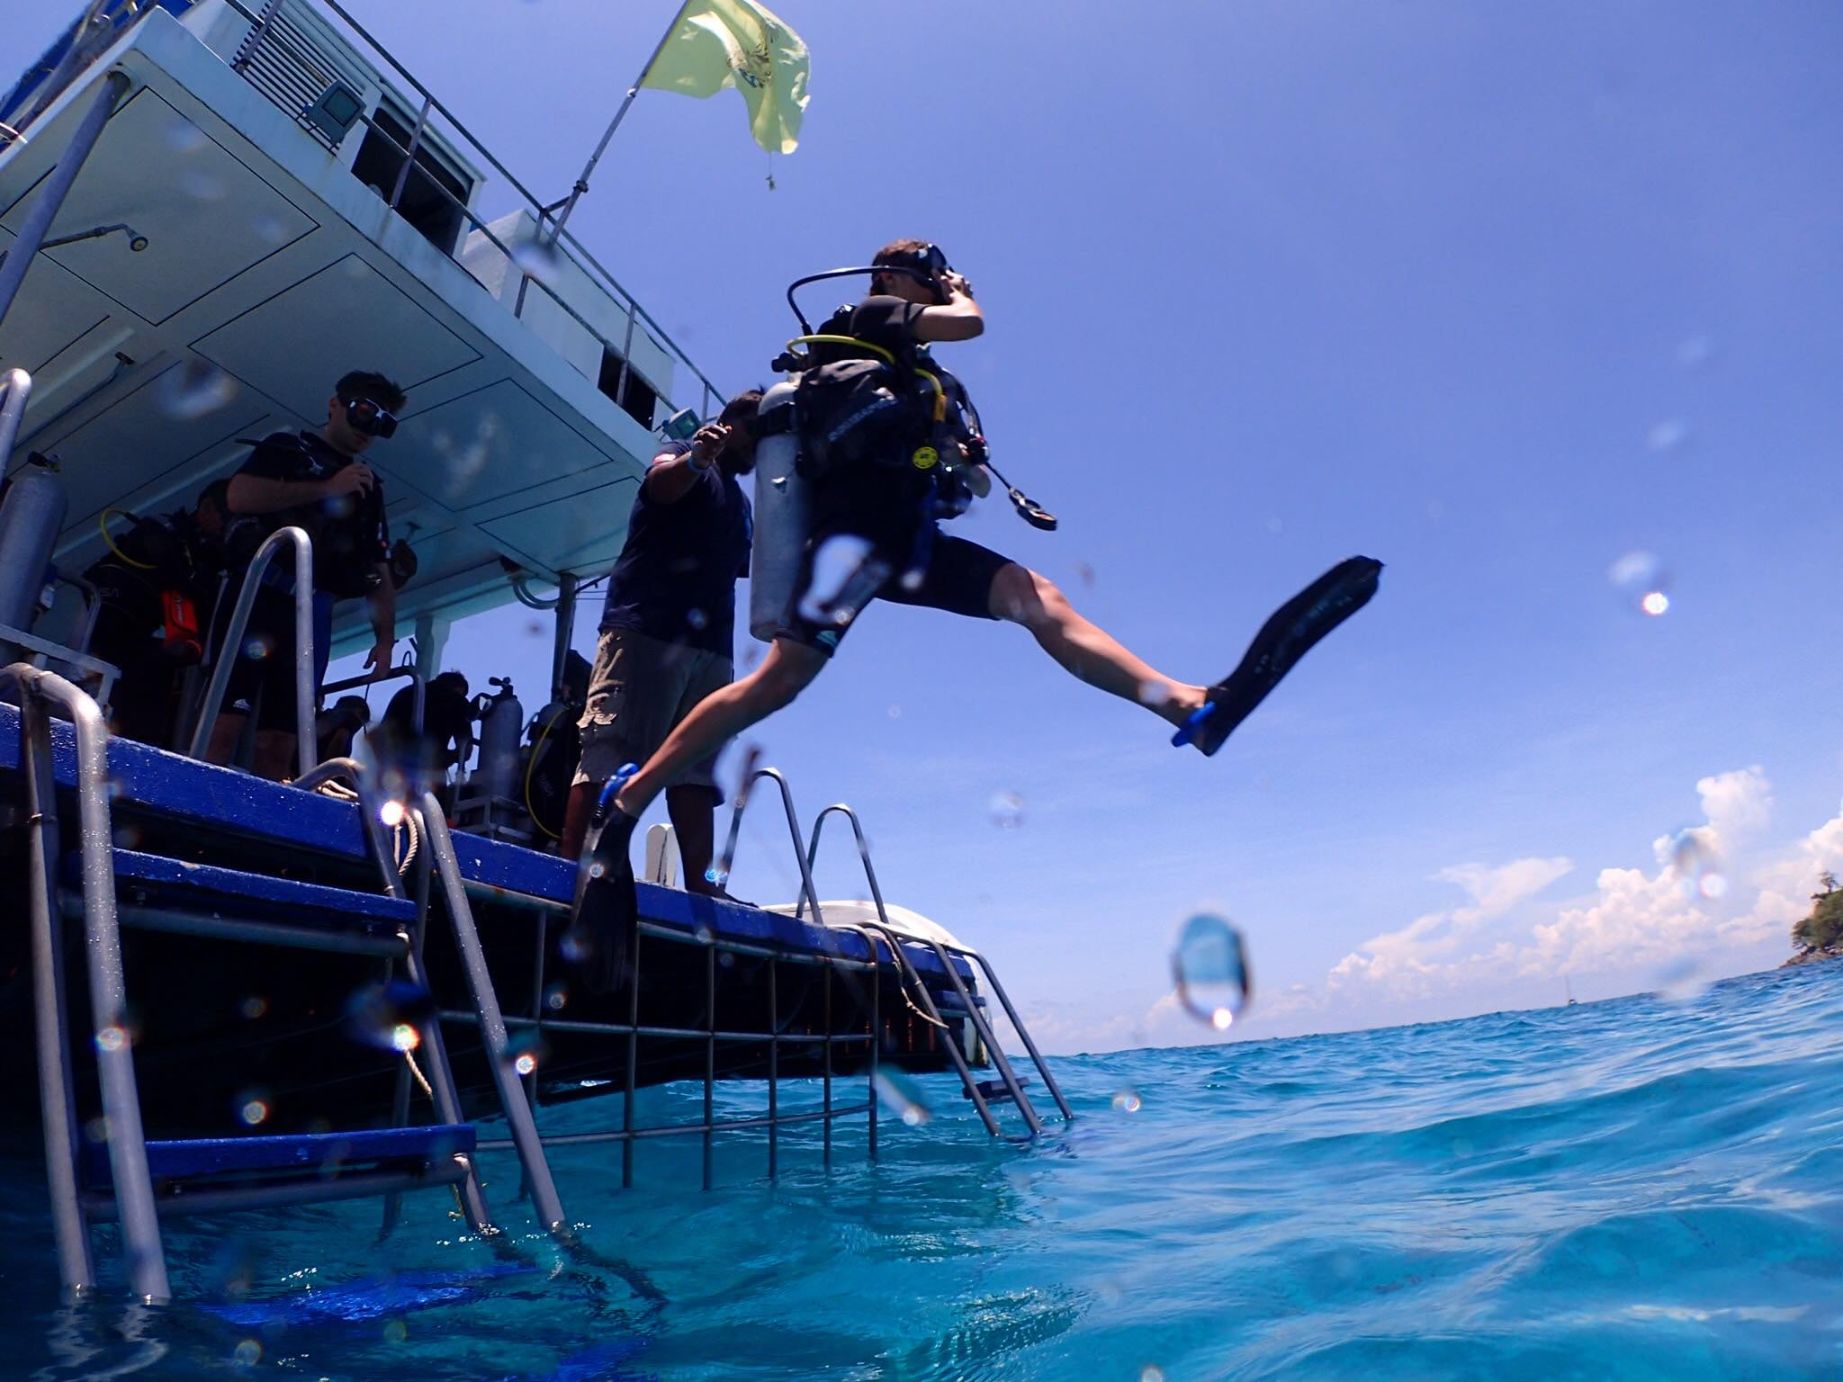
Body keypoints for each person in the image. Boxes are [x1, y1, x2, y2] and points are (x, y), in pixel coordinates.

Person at [570, 241, 1379, 986]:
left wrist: (956, 449)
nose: (941, 278)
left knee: (1038, 600)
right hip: (852, 540)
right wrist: (960, 295)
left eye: (940, 271)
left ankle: (1190, 707)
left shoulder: (911, 366)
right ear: (893, 277)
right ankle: (627, 804)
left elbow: (952, 467)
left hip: (910, 539)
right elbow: (972, 324)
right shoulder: (870, 315)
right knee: (777, 683)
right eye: (930, 269)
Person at [557, 390, 761, 893]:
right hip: (647, 629)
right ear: (731, 422)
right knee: (613, 753)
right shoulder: (683, 453)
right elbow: (661, 486)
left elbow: (737, 567)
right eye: (763, 427)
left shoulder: (743, 503)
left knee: (696, 771)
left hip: (711, 649)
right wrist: (697, 458)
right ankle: (573, 878)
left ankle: (702, 888)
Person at [207, 370, 405, 780]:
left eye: (382, 423)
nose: (370, 430)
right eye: (363, 412)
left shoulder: (368, 487)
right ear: (335, 406)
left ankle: (260, 834)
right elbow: (239, 495)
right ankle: (186, 823)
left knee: (282, 741)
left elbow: (379, 565)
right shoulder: (288, 448)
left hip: (311, 613)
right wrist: (326, 489)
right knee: (225, 722)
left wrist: (385, 639)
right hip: (257, 598)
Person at [86, 480, 233, 745]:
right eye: (229, 518)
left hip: (142, 640)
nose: (227, 530)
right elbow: (178, 580)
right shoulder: (162, 532)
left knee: (160, 674)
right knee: (144, 677)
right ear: (208, 507)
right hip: (115, 627)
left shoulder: (203, 553)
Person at [369, 669, 474, 792]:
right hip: (428, 772)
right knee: (435, 808)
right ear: (459, 689)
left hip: (388, 770)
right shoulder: (457, 700)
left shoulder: (405, 693)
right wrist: (449, 757)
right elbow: (466, 748)